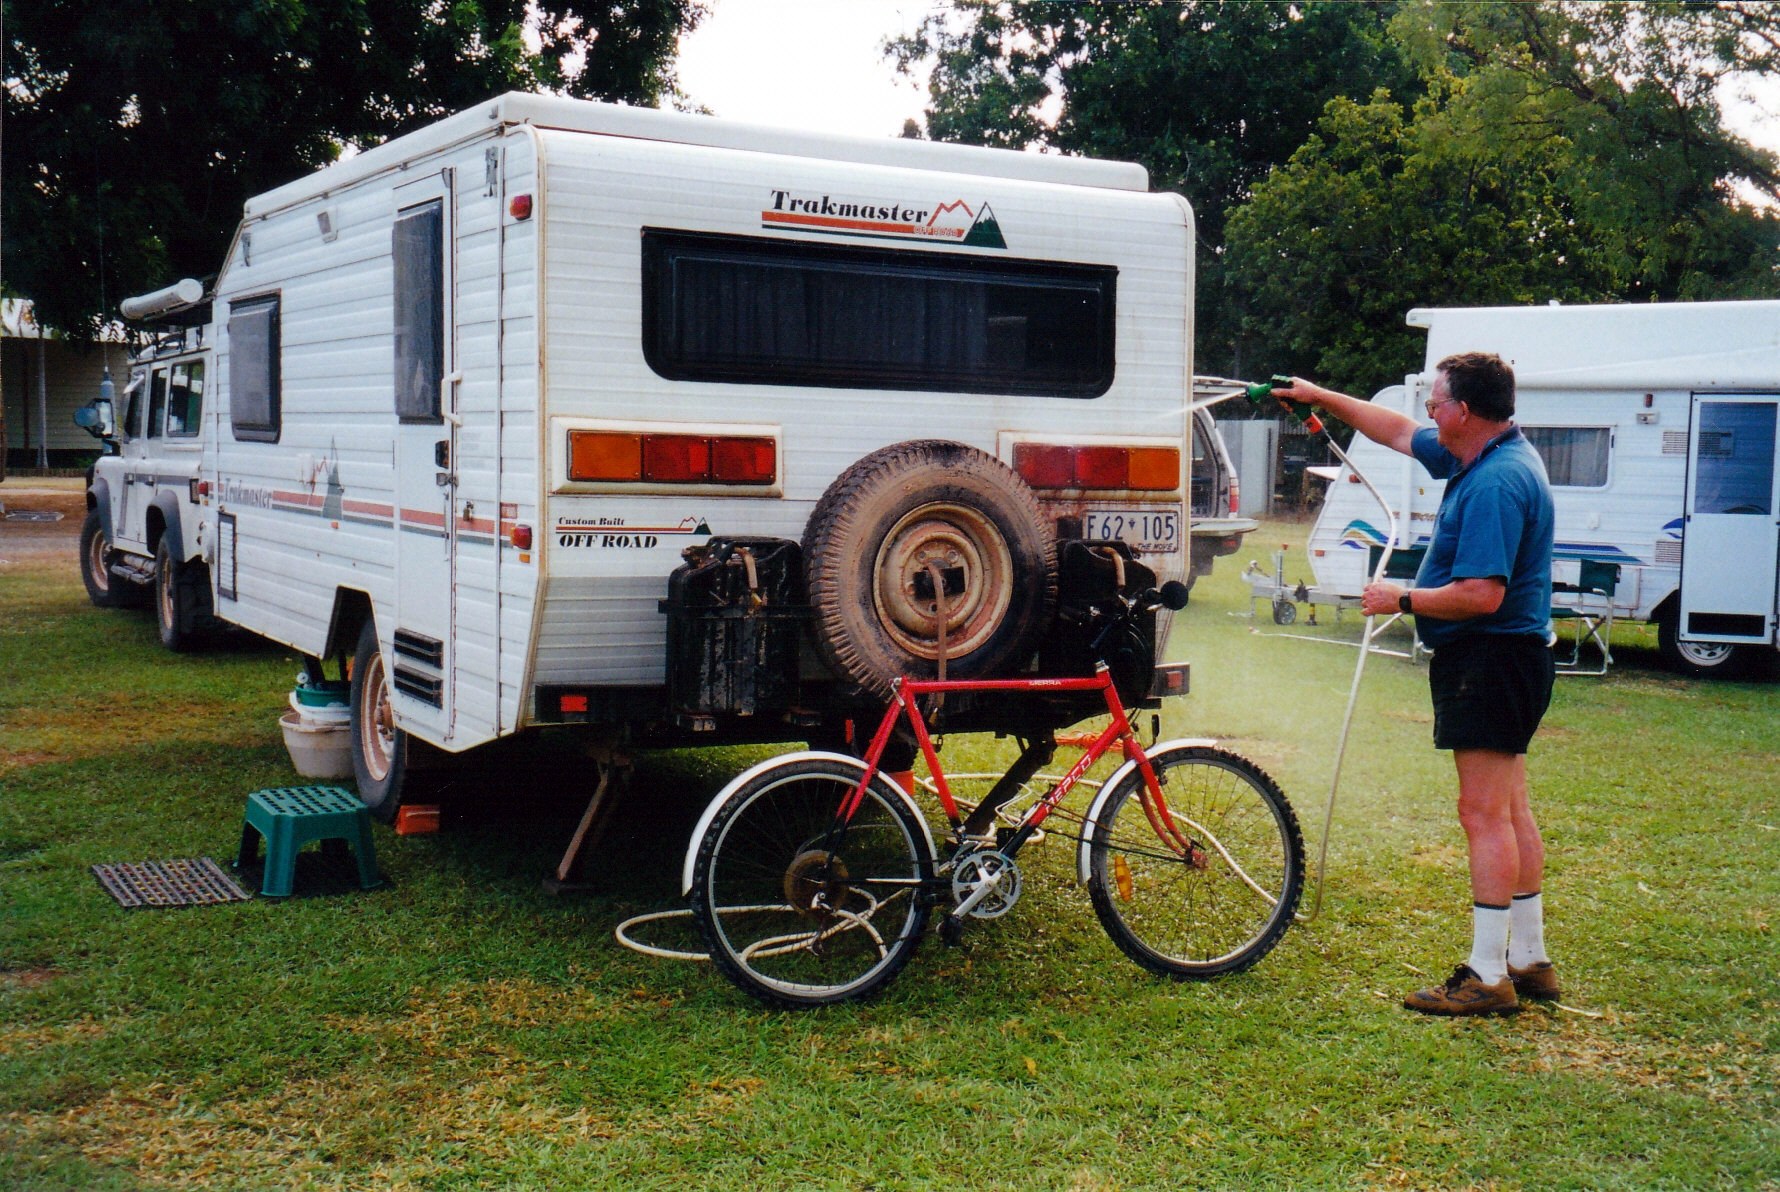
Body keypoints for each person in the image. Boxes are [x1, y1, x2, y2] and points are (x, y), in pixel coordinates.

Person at [1274, 354, 1559, 1015]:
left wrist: (1400, 599)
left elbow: (1482, 595)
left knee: (1483, 816)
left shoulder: (1496, 483)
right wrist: (1320, 395)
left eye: (1437, 402)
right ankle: (1530, 959)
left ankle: (1488, 975)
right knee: (1510, 812)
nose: (1429, 412)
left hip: (1492, 659)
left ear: (1465, 411)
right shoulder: (1483, 454)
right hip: (1509, 659)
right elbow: (1397, 431)